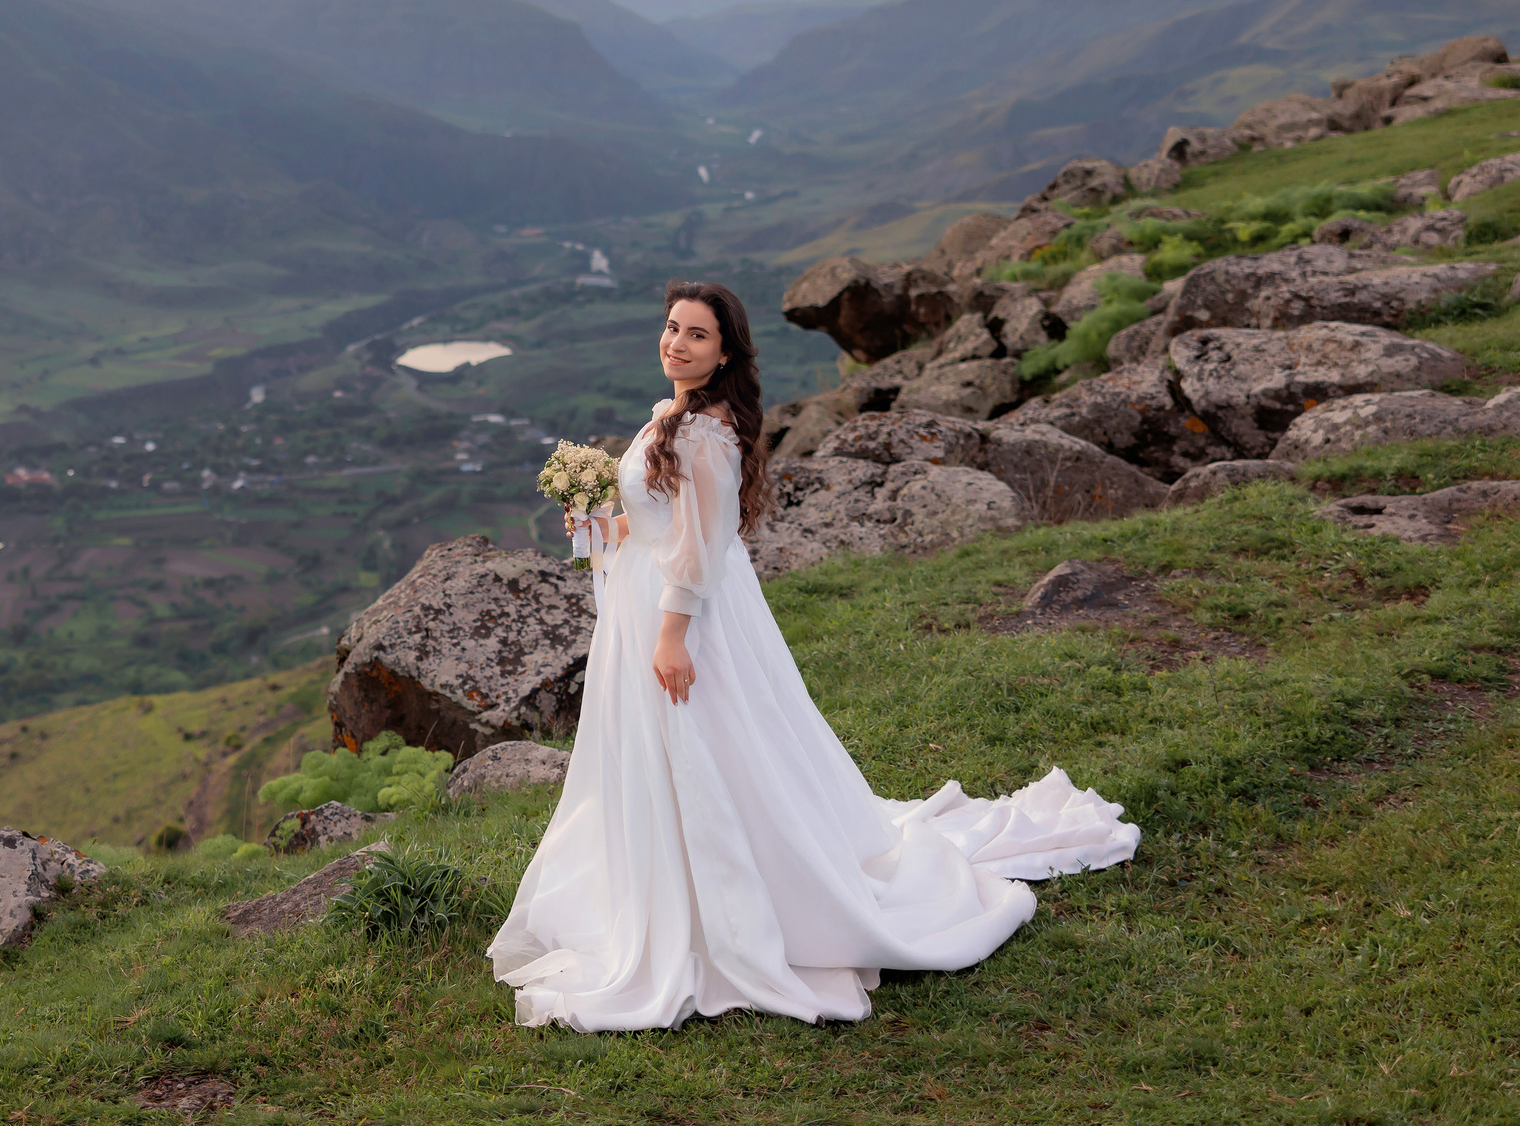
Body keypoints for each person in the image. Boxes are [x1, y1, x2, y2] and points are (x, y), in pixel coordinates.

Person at [488, 279, 1139, 1030]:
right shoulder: (670, 415)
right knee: (662, 757)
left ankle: (736, 903)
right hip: (645, 606)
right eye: (672, 327)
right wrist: (597, 520)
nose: (677, 342)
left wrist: (672, 638)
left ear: (724, 350)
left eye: (697, 334)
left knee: (711, 748)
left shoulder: (707, 432)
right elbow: (653, 527)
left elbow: (702, 549)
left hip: (679, 617)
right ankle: (667, 887)